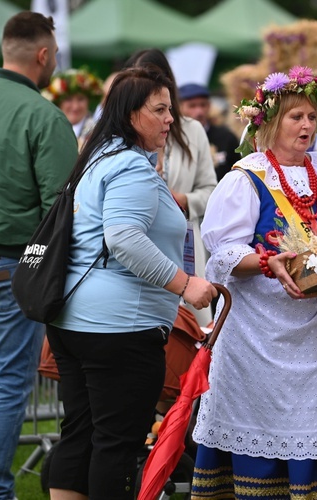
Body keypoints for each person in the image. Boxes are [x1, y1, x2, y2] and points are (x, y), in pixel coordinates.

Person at [191, 67, 317, 499]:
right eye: (296, 117)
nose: (307, 125)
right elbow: (223, 251)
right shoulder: (243, 178)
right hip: (257, 332)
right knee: (259, 424)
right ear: (269, 123)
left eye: (312, 116)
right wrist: (269, 263)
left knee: (316, 424)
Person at [44, 67, 217, 500]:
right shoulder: (129, 168)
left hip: (75, 319)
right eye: (159, 109)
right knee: (116, 444)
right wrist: (184, 284)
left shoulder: (100, 156)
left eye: (170, 109)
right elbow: (123, 237)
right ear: (130, 114)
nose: (170, 119)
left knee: (81, 433)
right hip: (118, 328)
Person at [0, 12, 75, 500]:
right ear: (43, 55)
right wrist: (36, 270)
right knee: (6, 383)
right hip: (6, 261)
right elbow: (60, 211)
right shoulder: (43, 114)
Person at [126, 49, 218, 327]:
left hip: (184, 243)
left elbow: (210, 189)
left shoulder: (191, 130)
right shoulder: (120, 134)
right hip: (137, 245)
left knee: (191, 332)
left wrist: (184, 199)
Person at [178, 82, 240, 181]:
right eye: (192, 106)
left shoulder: (226, 137)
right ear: (179, 108)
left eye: (203, 105)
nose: (199, 112)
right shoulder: (173, 139)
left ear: (209, 105)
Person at [44, 67, 103, 151]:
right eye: (68, 99)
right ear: (58, 103)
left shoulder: (98, 133)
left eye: (80, 99)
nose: (75, 107)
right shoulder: (48, 131)